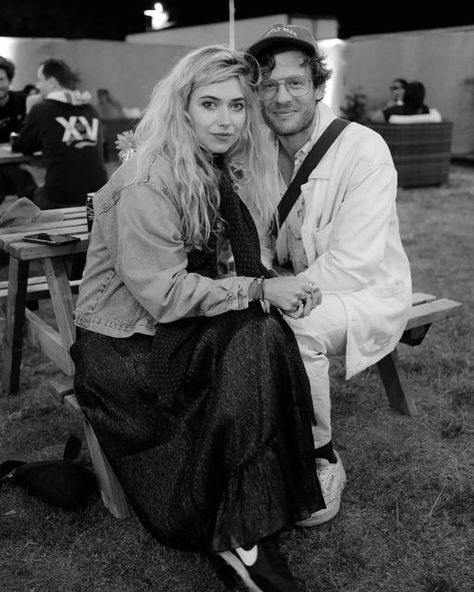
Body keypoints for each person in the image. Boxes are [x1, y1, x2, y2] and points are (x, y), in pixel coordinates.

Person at [70, 45, 326, 592]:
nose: (226, 120)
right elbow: (163, 294)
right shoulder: (147, 179)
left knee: (263, 334)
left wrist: (272, 286)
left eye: (237, 106)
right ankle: (243, 535)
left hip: (169, 326)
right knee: (254, 337)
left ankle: (252, 516)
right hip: (126, 346)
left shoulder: (209, 167)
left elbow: (219, 265)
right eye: (210, 104)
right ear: (183, 106)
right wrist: (260, 287)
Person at [247, 24, 412, 526]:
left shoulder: (362, 148)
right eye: (268, 84)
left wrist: (271, 295)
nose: (280, 96)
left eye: (295, 83)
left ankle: (321, 459)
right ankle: (254, 444)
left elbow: (354, 263)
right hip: (288, 281)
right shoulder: (250, 150)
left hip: (360, 291)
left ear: (319, 86)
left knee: (294, 329)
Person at [15, 58, 107, 209]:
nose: (37, 86)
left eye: (39, 80)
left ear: (52, 82)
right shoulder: (91, 109)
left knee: (20, 178)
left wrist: (29, 110)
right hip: (97, 196)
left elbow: (23, 146)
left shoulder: (42, 109)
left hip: (59, 199)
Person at [0, 56, 37, 205]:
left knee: (29, 188)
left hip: (17, 164)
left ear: (9, 81)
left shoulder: (22, 101)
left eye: (1, 79)